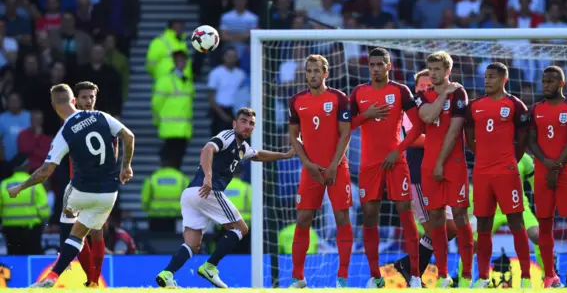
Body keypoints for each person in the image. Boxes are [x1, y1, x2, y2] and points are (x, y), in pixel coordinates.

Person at [8, 83, 135, 288]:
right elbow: (128, 136)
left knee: (70, 230)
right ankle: (92, 282)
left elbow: (45, 171)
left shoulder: (65, 131)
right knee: (92, 231)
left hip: (81, 190)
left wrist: (20, 187)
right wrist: (125, 167)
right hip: (109, 192)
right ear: (74, 100)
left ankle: (58, 272)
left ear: (53, 104)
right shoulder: (102, 116)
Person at [155, 108, 294, 288]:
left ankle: (167, 274)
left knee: (192, 244)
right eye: (243, 121)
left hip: (191, 195)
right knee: (241, 228)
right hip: (207, 191)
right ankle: (210, 267)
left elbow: (259, 155)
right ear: (234, 123)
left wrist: (284, 155)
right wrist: (208, 176)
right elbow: (207, 149)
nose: (247, 126)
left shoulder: (242, 147)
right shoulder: (227, 136)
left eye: (251, 123)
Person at [349, 48, 422, 288]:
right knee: (369, 218)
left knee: (406, 215)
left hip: (396, 161)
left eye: (381, 64)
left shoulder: (400, 91)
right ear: (368, 67)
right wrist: (365, 115)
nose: (376, 68)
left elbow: (417, 125)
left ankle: (415, 276)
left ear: (389, 66)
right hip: (369, 165)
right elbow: (346, 126)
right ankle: (375, 276)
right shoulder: (359, 92)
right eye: (372, 64)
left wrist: (398, 150)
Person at [409, 52, 474, 288]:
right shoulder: (422, 96)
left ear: (448, 71)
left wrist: (440, 162)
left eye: (437, 69)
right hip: (429, 166)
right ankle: (444, 274)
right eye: (430, 69)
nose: (433, 73)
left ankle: (467, 274)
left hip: (453, 165)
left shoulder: (459, 93)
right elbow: (427, 116)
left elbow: (455, 130)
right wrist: (442, 95)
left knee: (459, 217)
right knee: (436, 218)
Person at [288, 55, 353, 288]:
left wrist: (334, 165)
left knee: (342, 218)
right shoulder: (296, 100)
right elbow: (294, 136)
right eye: (309, 70)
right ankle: (298, 277)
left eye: (317, 70)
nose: (313, 74)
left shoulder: (338, 98)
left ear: (326, 73)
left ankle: (343, 277)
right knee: (303, 218)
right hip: (311, 170)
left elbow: (346, 133)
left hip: (337, 168)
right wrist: (307, 163)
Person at [464, 62, 531, 288]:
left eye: (492, 76)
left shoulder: (515, 105)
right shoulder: (473, 106)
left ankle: (525, 276)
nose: (487, 80)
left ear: (504, 78)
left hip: (507, 172)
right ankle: (483, 277)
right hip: (482, 172)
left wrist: (511, 159)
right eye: (485, 76)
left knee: (516, 222)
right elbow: (470, 138)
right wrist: (483, 155)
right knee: (483, 224)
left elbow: (523, 138)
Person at [393, 69, 459, 285]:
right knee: (438, 230)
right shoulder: (410, 110)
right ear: (415, 89)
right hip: (418, 176)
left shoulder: (442, 108)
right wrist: (444, 137)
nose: (424, 89)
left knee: (450, 230)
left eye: (428, 85)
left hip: (440, 176)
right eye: (421, 86)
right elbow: (414, 140)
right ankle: (438, 275)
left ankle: (410, 267)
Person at [528, 65, 567, 288]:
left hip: (566, 172)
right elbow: (531, 141)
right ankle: (550, 275)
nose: (546, 85)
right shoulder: (535, 109)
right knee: (544, 223)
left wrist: (556, 166)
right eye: (544, 81)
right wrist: (546, 164)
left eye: (550, 82)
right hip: (543, 172)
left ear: (561, 83)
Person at [58, 81, 114, 287]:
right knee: (83, 232)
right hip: (81, 184)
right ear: (76, 100)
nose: (89, 101)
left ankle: (92, 280)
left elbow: (113, 150)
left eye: (92, 97)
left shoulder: (100, 121)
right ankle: (92, 280)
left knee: (91, 231)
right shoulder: (95, 121)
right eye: (84, 97)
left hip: (93, 184)